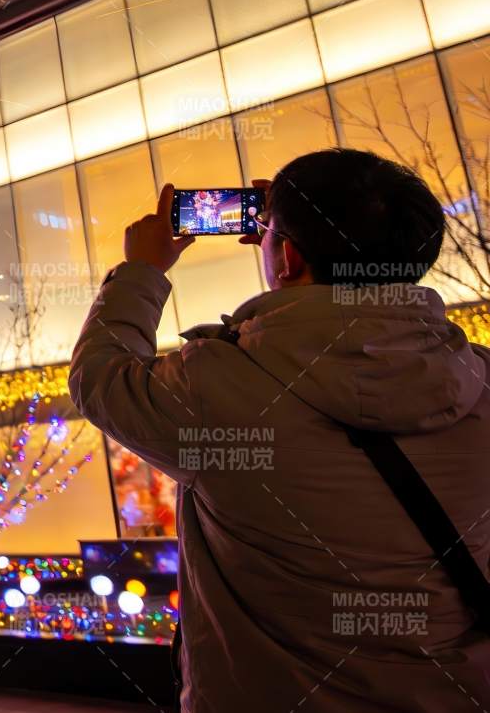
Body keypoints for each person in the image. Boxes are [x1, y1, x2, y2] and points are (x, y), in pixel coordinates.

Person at [71, 152, 490, 711]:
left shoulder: (210, 389)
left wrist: (142, 270)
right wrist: (295, 231)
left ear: (287, 257)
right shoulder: (479, 378)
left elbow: (101, 375)